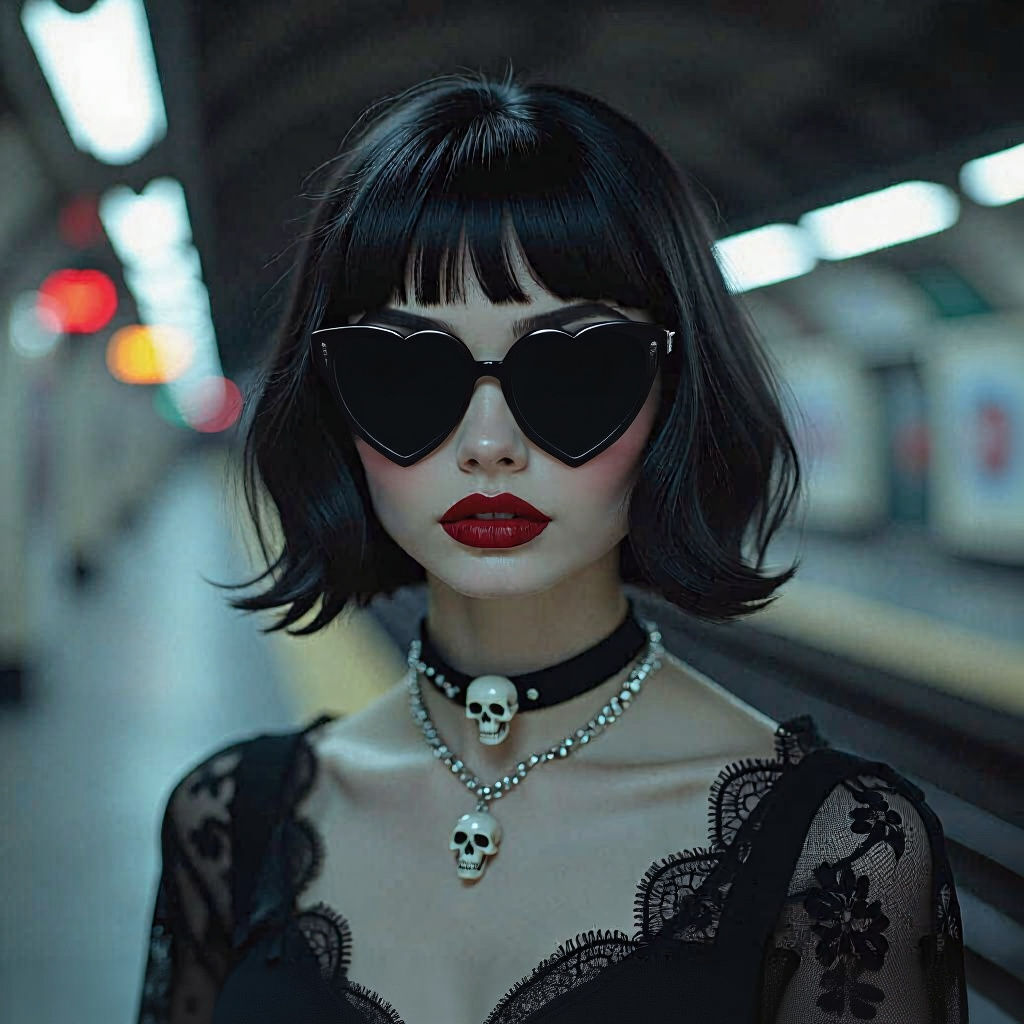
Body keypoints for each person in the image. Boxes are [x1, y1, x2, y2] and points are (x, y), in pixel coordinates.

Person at [136, 69, 968, 1023]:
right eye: (407, 372)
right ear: (333, 402)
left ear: (675, 395)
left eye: (575, 368)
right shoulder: (224, 826)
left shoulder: (843, 862)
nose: (489, 444)